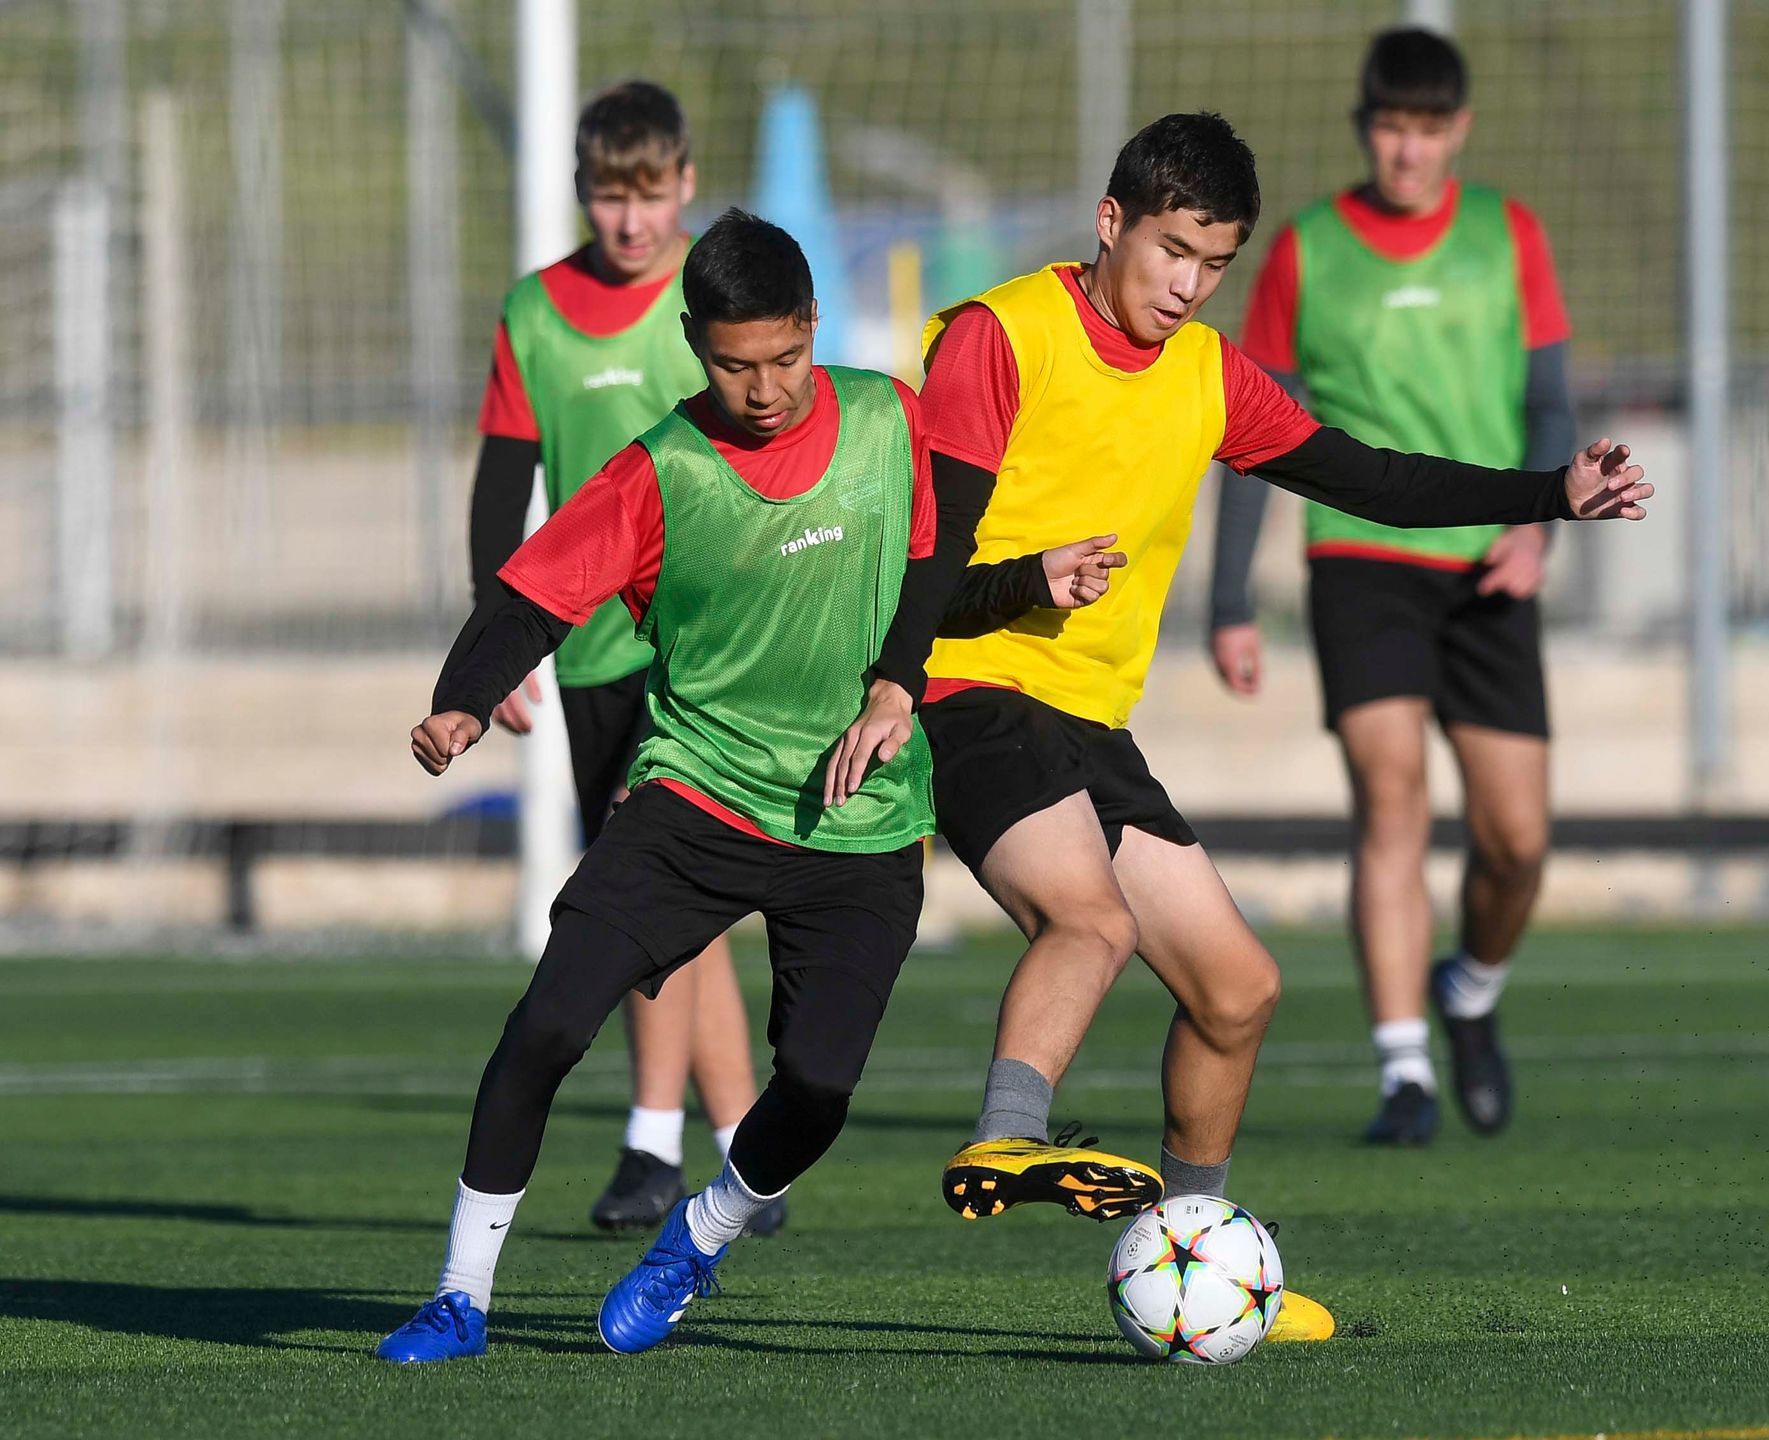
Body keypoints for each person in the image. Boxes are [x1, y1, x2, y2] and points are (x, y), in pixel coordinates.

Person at [375, 211, 1121, 1363]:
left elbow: (927, 583)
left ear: (813, 326)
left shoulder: (887, 419)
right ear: (694, 342)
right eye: (734, 365)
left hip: (859, 818)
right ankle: (459, 1298)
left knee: (816, 1088)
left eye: (784, 357)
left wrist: (1023, 582)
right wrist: (463, 699)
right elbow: (533, 597)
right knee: (547, 1025)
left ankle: (699, 1234)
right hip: (697, 798)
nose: (764, 389)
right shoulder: (661, 470)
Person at [913, 113, 1648, 1246]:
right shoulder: (1001, 336)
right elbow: (923, 565)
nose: (1188, 286)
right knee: (1092, 924)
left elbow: (1376, 481)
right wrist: (1011, 592)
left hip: (1087, 722)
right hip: (965, 690)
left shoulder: (1209, 374)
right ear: (1110, 222)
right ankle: (1006, 1137)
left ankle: (1190, 1253)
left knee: (1238, 989)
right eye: (1171, 250)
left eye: (1214, 264)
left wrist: (1550, 493)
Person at [1208, 29, 1574, 1146]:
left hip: (1489, 565)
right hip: (1360, 558)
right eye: (1389, 127)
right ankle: (1404, 1070)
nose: (1406, 150)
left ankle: (1470, 991)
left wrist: (1537, 535)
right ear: (1364, 127)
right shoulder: (1306, 249)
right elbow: (1252, 433)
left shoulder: (1508, 233)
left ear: (1458, 131)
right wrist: (1229, 599)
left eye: (1426, 129)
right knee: (1393, 795)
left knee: (1517, 841)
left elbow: (1550, 404)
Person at [470, 79, 770, 1231]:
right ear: (581, 192)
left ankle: (651, 1146)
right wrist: (495, 642)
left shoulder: (718, 296)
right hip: (590, 650)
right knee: (678, 899)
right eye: (609, 196)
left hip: (707, 644)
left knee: (650, 883)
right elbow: (503, 481)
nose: (631, 220)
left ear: (685, 184)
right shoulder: (534, 313)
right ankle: (745, 1149)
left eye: (650, 196)